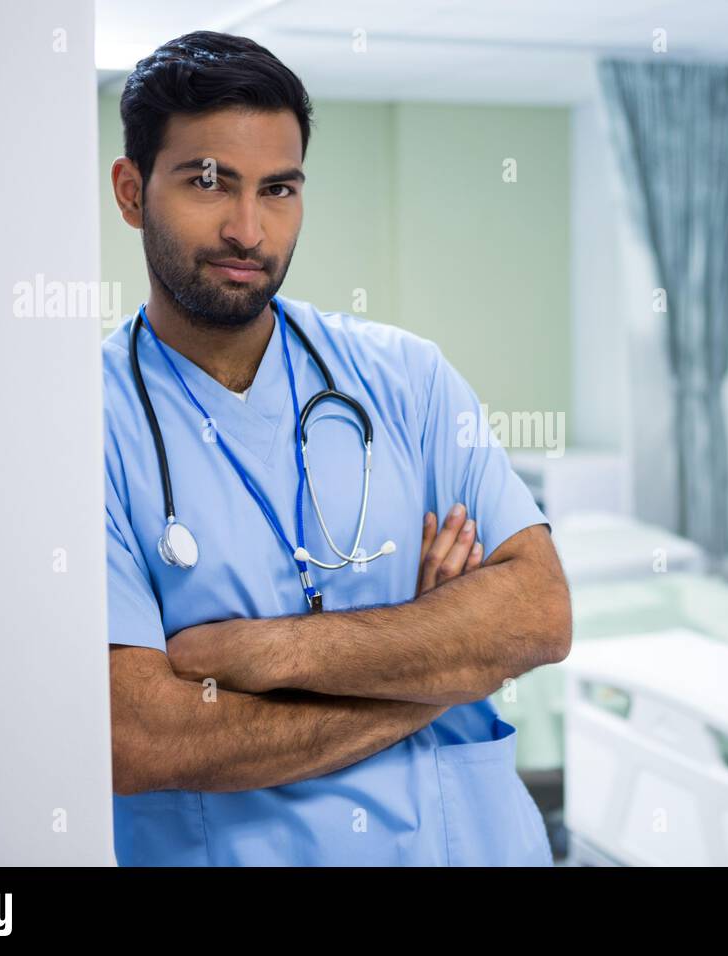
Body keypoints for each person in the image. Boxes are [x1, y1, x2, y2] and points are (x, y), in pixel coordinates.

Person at [103, 31, 571, 866]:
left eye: (278, 189)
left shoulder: (404, 377)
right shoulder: (85, 423)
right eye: (208, 183)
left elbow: (538, 616)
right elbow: (142, 736)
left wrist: (260, 652)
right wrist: (440, 662)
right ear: (132, 192)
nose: (248, 228)